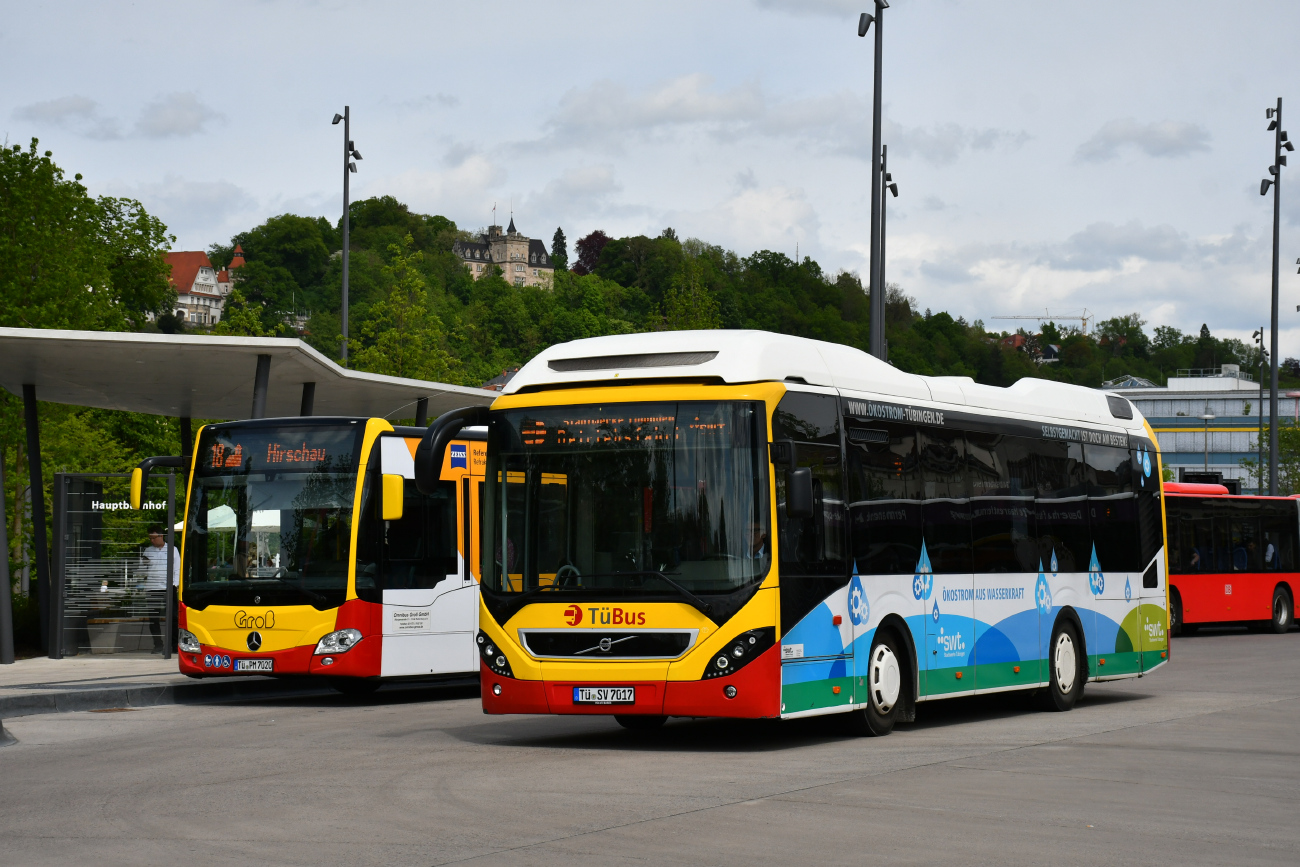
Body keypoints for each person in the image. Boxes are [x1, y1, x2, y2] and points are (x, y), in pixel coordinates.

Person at [140, 524, 180, 653]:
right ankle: (158, 645)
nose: (152, 540)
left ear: (161, 536)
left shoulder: (172, 550)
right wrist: (142, 564)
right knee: (154, 618)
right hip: (152, 588)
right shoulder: (147, 551)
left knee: (173, 617)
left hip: (168, 588)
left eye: (154, 538)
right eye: (150, 538)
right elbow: (141, 571)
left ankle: (173, 645)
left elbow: (177, 568)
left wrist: (175, 584)